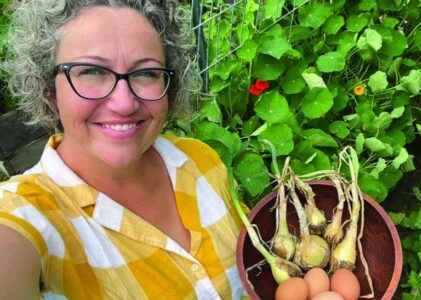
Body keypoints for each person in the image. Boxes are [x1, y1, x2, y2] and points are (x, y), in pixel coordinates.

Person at [0, 1, 247, 299]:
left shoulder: (199, 159)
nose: (124, 103)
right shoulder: (27, 216)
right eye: (91, 71)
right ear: (48, 88)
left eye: (146, 73)